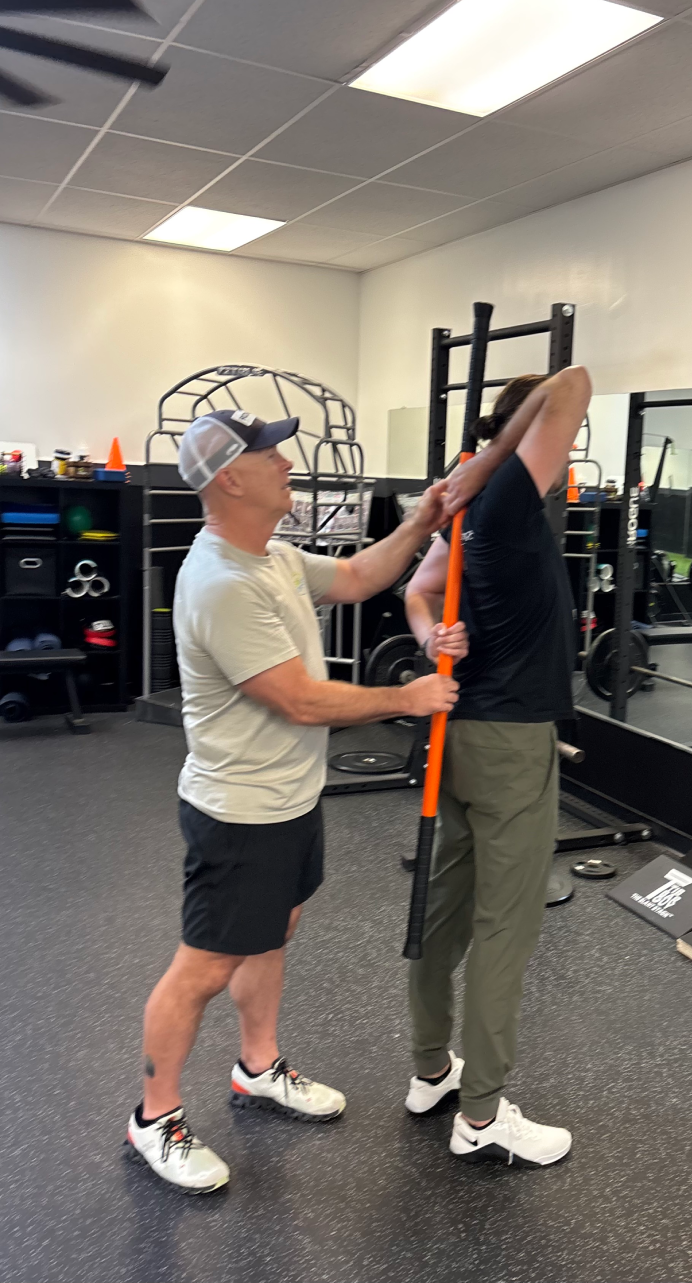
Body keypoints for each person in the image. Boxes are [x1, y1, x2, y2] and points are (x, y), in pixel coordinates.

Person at [126, 409, 462, 1194]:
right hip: (238, 811)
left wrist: (422, 521)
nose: (285, 462)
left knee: (274, 931)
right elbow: (300, 699)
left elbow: (358, 576)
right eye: (268, 453)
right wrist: (406, 697)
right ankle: (154, 1115)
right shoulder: (223, 583)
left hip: (289, 799)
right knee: (204, 966)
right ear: (230, 480)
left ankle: (258, 1065)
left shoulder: (271, 555)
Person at [403, 364, 592, 1167]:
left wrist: (430, 637)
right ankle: (480, 1115)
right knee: (504, 930)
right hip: (512, 744)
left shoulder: (474, 507)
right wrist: (502, 447)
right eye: (562, 442)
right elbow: (574, 382)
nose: (570, 451)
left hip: (460, 736)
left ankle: (431, 1070)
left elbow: (418, 592)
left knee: (444, 908)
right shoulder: (505, 492)